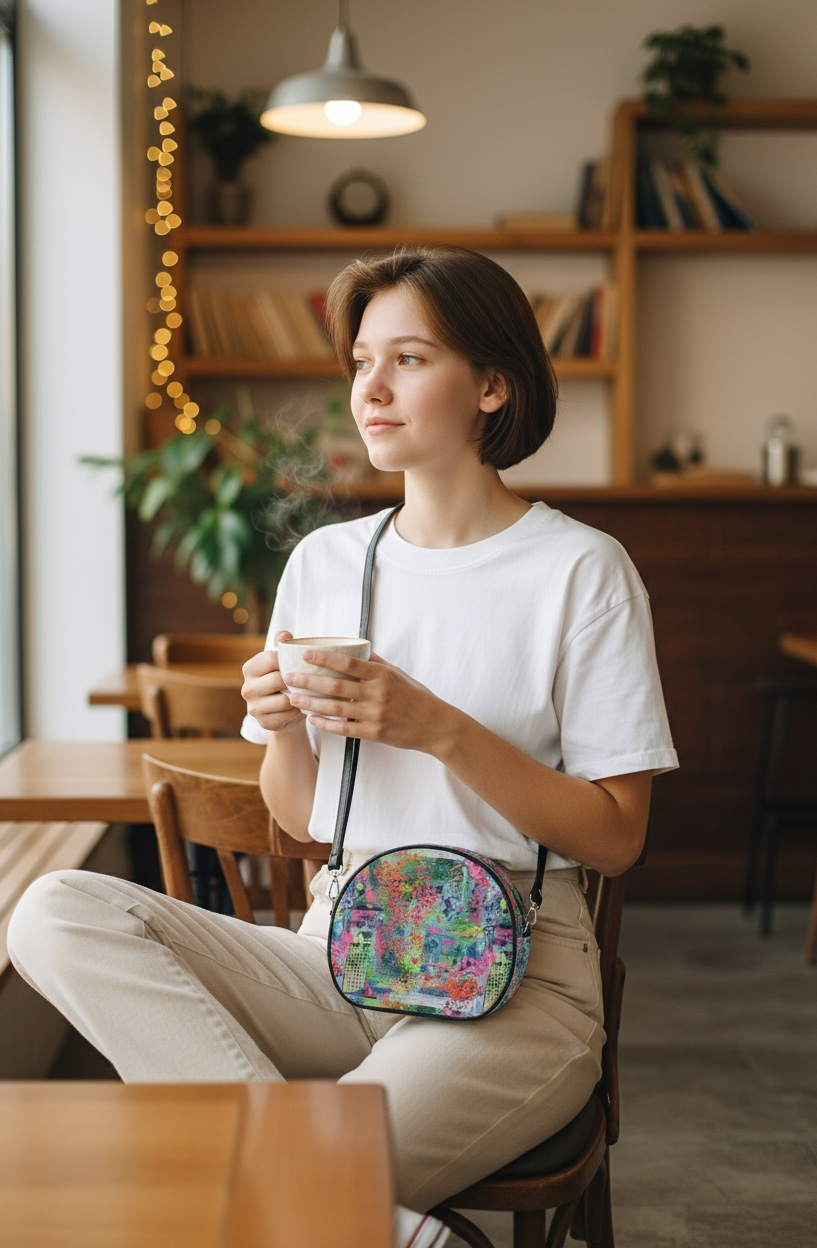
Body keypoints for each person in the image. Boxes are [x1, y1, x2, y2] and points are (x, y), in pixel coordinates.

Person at [8, 246, 677, 1225]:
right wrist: (284, 731)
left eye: (408, 359)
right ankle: (361, 1212)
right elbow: (303, 824)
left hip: (519, 977)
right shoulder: (326, 563)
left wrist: (439, 729)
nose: (371, 388)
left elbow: (617, 837)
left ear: (492, 385)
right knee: (51, 912)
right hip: (340, 948)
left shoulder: (581, 571)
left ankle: (301, 1185)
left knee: (265, 1184)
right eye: (363, 361)